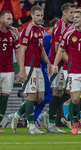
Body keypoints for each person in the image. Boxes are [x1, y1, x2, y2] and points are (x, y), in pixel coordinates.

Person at [8, 5, 52, 134]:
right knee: (31, 96)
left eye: (41, 15)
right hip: (29, 66)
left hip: (38, 67)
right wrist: (21, 70)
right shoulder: (28, 29)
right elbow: (22, 50)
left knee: (40, 97)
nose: (40, 18)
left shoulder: (42, 29)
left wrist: (48, 63)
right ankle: (32, 126)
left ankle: (16, 115)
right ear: (32, 15)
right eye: (37, 15)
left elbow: (41, 49)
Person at [40, 3, 75, 133]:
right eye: (71, 12)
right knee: (57, 93)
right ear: (64, 13)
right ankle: (50, 124)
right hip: (58, 64)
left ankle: (47, 114)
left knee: (68, 92)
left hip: (65, 64)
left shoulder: (68, 26)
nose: (73, 15)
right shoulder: (60, 26)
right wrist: (71, 61)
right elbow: (57, 48)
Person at [0, 11, 20, 133]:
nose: (11, 21)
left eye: (11, 19)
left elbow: (18, 51)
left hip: (9, 70)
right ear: (1, 20)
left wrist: (20, 69)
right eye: (8, 19)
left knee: (5, 98)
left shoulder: (14, 34)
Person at [52, 8, 81, 135]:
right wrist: (55, 65)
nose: (74, 20)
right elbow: (60, 50)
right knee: (74, 99)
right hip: (74, 71)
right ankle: (74, 121)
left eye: (77, 17)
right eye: (73, 17)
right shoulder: (69, 33)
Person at [35, 17, 59, 127]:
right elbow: (40, 54)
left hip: (44, 68)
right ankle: (27, 106)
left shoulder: (48, 35)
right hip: (44, 69)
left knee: (45, 95)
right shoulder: (48, 36)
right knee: (50, 95)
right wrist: (48, 65)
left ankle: (33, 119)